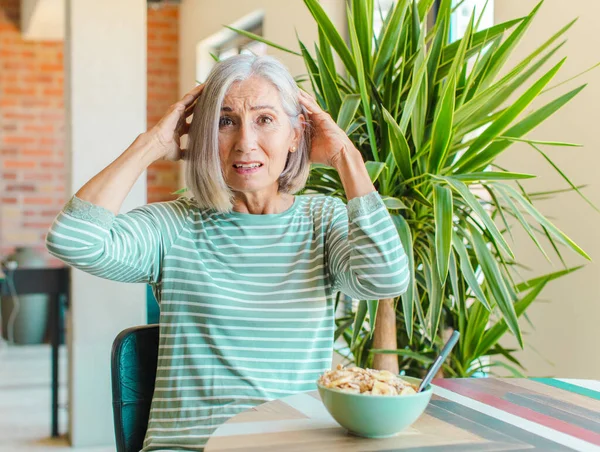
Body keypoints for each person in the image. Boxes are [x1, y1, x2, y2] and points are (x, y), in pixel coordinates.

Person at [46, 54, 409, 451]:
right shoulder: (174, 226)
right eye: (225, 121)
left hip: (295, 446)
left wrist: (345, 157)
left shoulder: (321, 221)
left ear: (296, 133)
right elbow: (73, 239)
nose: (245, 143)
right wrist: (151, 145)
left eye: (265, 119)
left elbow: (385, 278)